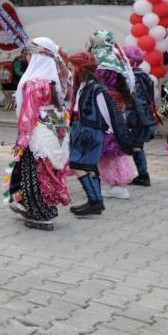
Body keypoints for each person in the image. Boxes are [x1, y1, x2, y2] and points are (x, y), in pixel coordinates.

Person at [6, 38, 71, 230]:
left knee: (35, 173)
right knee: (50, 173)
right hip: (56, 131)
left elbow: (28, 113)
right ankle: (42, 210)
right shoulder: (57, 80)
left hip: (38, 134)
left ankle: (40, 216)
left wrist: (22, 139)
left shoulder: (35, 83)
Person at [68, 52, 118, 216]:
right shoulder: (82, 86)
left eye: (73, 68)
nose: (71, 71)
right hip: (80, 129)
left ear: (80, 69)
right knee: (88, 166)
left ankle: (95, 201)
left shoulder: (96, 88)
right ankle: (96, 202)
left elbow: (106, 112)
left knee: (77, 165)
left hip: (89, 131)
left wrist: (108, 131)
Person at [87, 31, 136, 200]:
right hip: (116, 107)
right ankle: (117, 182)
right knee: (113, 145)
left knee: (109, 147)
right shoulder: (117, 61)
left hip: (103, 107)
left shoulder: (100, 65)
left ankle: (117, 183)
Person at [123, 46, 157, 187]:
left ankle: (143, 175)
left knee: (136, 146)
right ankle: (142, 175)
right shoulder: (143, 75)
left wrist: (144, 121)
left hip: (136, 117)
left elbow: (139, 100)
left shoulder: (134, 77)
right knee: (137, 146)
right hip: (141, 116)